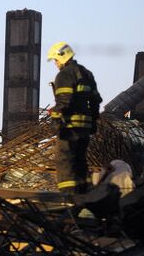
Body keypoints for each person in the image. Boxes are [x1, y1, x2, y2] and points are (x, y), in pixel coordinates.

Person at [47, 42, 102, 195]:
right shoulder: (87, 74)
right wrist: (93, 121)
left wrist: (55, 118)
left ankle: (68, 198)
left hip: (68, 127)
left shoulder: (64, 75)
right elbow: (96, 100)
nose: (55, 64)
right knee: (80, 161)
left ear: (61, 56)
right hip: (84, 130)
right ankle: (84, 195)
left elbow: (65, 101)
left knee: (64, 161)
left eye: (55, 60)